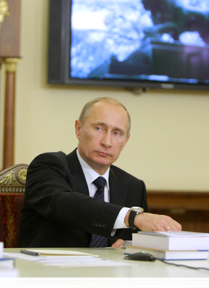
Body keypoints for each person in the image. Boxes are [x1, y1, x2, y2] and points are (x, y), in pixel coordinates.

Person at [18, 97, 182, 248]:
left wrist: (129, 250)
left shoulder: (133, 187)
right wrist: (132, 217)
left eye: (117, 133)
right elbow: (65, 204)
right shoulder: (48, 166)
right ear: (78, 128)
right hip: (49, 276)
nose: (107, 142)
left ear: (125, 141)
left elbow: (138, 247)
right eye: (99, 128)